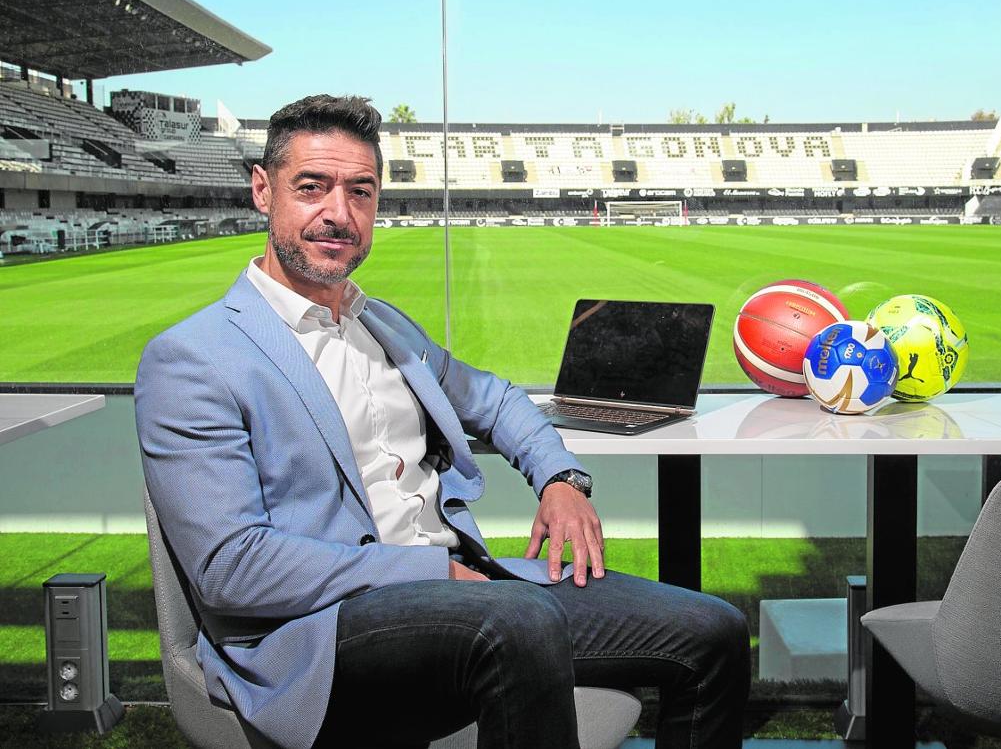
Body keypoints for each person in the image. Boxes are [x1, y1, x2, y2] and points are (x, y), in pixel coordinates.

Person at [135, 94, 749, 749]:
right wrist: (429, 574)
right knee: (518, 624)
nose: (338, 213)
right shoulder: (194, 358)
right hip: (319, 630)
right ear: (263, 190)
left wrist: (561, 480)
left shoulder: (384, 326)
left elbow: (495, 399)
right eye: (311, 187)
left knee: (713, 632)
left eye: (360, 191)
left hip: (467, 596)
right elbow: (233, 567)